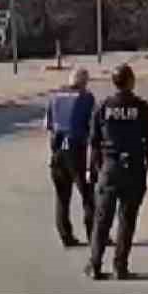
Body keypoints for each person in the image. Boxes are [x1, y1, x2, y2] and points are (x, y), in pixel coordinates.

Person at [84, 64, 148, 281]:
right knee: (127, 219)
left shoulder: (102, 108)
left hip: (110, 168)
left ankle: (95, 265)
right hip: (135, 169)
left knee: (102, 219)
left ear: (114, 83)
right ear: (131, 81)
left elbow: (94, 144)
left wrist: (92, 170)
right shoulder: (143, 108)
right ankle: (120, 267)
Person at [46, 67, 96, 247]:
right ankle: (95, 235)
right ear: (83, 82)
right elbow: (92, 125)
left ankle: (65, 235)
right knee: (88, 194)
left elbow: (49, 125)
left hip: (58, 150)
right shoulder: (86, 98)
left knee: (62, 196)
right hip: (76, 150)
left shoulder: (55, 96)